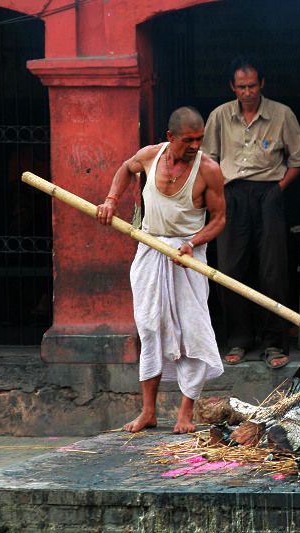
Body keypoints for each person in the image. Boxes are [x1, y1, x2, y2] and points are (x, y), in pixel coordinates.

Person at [97, 106, 226, 433]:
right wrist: (112, 199)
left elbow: (220, 219)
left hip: (187, 256)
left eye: (200, 138)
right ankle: (149, 412)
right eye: (188, 139)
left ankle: (185, 414)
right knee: (150, 327)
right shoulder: (150, 156)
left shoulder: (208, 169)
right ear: (170, 138)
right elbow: (125, 169)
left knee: (192, 331)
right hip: (150, 248)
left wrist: (192, 244)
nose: (195, 145)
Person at [202, 56, 300, 369]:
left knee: (272, 269)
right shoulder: (220, 116)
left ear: (262, 84)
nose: (247, 92)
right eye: (241, 87)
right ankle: (238, 340)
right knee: (231, 268)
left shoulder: (281, 114)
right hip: (231, 195)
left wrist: (277, 191)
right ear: (232, 88)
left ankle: (274, 343)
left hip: (269, 195)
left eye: (252, 86)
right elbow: (208, 161)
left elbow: (299, 160)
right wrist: (219, 194)